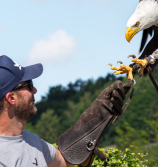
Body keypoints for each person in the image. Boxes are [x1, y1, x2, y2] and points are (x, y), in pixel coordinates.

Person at [0, 55, 131, 167]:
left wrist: (99, 113)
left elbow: (64, 162)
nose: (35, 90)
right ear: (11, 98)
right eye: (29, 85)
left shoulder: (32, 141)